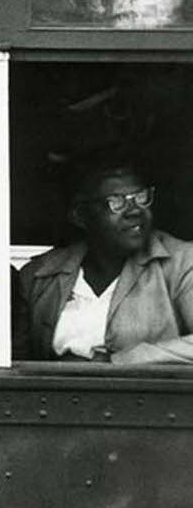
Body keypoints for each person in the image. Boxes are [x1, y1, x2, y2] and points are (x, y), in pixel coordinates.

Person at [13, 156, 193, 364]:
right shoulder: (40, 275)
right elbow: (15, 363)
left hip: (143, 396)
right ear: (81, 215)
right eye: (116, 202)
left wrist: (128, 359)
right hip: (59, 396)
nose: (134, 211)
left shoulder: (181, 262)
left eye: (141, 197)